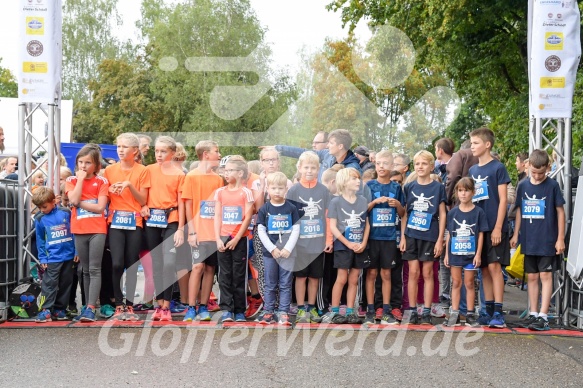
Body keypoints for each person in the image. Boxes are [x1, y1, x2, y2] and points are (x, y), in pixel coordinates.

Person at [510, 149, 565, 331]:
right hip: (529, 238)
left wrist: (560, 238)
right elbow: (519, 210)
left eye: (541, 173)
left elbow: (560, 212)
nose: (537, 176)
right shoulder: (523, 185)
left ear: (548, 168)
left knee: (546, 276)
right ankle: (533, 313)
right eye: (534, 172)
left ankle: (543, 316)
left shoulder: (552, 186)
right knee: (532, 276)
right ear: (528, 167)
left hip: (547, 239)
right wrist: (516, 233)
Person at [104, 133, 151, 321]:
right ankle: (118, 304)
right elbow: (105, 196)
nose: (120, 150)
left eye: (124, 147)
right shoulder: (109, 170)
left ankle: (130, 305)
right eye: (118, 146)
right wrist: (110, 190)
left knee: (132, 263)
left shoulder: (142, 171)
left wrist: (129, 185)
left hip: (135, 221)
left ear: (134, 151)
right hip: (115, 222)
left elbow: (143, 200)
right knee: (116, 263)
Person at [468, 127, 511, 328]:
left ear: (487, 144)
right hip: (479, 228)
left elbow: (503, 200)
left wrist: (498, 227)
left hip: (495, 226)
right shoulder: (472, 171)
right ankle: (487, 310)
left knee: (495, 267)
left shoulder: (498, 168)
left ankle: (498, 313)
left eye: (475, 143)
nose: (472, 147)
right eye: (471, 143)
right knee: (483, 269)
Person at [400, 150, 446, 325]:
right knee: (413, 272)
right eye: (417, 163)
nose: (420, 167)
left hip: (430, 235)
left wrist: (440, 239)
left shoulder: (438, 187)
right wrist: (403, 237)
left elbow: (442, 214)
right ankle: (412, 310)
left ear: (431, 166)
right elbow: (404, 214)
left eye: (424, 163)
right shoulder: (409, 187)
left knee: (427, 273)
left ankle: (426, 310)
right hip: (411, 234)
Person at [143, 136, 185, 321]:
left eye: (163, 151)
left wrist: (181, 228)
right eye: (156, 151)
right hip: (152, 219)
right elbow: (143, 193)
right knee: (157, 262)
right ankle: (159, 304)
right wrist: (142, 205)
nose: (159, 155)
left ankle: (167, 305)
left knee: (169, 262)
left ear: (172, 153)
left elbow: (182, 203)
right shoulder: (148, 170)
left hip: (172, 218)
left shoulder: (179, 174)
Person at [66, 144, 109, 322]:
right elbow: (73, 198)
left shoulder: (102, 182)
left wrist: (78, 204)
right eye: (80, 162)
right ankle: (86, 305)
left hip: (97, 230)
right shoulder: (71, 180)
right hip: (79, 229)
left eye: (88, 163)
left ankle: (91, 307)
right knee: (83, 270)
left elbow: (99, 207)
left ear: (96, 166)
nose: (83, 166)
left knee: (94, 268)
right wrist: (81, 180)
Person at [182, 140, 224, 322]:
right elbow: (188, 205)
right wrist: (191, 231)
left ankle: (204, 306)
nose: (219, 155)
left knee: (210, 268)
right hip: (198, 232)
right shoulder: (191, 176)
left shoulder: (218, 179)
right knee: (197, 266)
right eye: (217, 151)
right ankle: (191, 307)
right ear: (206, 154)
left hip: (214, 232)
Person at [286, 151, 330, 324]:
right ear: (299, 168)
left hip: (318, 243)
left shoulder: (323, 190)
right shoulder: (294, 190)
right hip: (299, 243)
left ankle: (312, 306)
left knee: (314, 277)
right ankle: (301, 307)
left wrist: (328, 240)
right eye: (306, 167)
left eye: (313, 167)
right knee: (301, 276)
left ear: (319, 169)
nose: (309, 171)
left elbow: (327, 216)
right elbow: (290, 217)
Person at [322, 168, 370, 324]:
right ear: (343, 182)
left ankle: (350, 311)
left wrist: (363, 243)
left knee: (354, 279)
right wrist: (348, 243)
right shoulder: (335, 201)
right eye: (354, 179)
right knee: (341, 278)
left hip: (359, 246)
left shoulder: (362, 201)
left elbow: (367, 224)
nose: (358, 181)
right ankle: (335, 311)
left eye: (358, 178)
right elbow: (333, 226)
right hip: (343, 246)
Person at [364, 150, 405, 325]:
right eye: (379, 163)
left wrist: (397, 205)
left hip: (389, 238)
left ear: (392, 166)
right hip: (372, 237)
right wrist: (373, 203)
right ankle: (371, 309)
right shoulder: (369, 186)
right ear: (375, 164)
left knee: (386, 273)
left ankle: (387, 309)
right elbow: (361, 211)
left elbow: (403, 214)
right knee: (372, 273)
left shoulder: (396, 187)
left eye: (386, 163)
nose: (382, 166)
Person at [255, 172, 300, 325]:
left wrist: (287, 248)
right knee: (270, 283)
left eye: (280, 188)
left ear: (286, 189)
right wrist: (272, 248)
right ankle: (268, 311)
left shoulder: (292, 208)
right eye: (273, 188)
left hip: (288, 253)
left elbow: (296, 229)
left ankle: (283, 312)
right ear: (268, 189)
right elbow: (261, 230)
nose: (277, 191)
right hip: (270, 253)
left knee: (285, 283)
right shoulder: (264, 209)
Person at [214, 156, 255, 322]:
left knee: (239, 274)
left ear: (240, 173)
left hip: (240, 240)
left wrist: (237, 238)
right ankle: (226, 309)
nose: (226, 173)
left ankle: (239, 310)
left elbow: (248, 216)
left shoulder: (246, 192)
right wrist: (217, 239)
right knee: (224, 275)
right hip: (223, 238)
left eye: (230, 170)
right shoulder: (220, 192)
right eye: (225, 170)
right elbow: (217, 215)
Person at [443, 177, 488, 327]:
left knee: (469, 283)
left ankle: (469, 314)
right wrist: (447, 254)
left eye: (466, 190)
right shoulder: (453, 213)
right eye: (460, 190)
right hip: (455, 253)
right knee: (456, 282)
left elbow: (481, 233)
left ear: (473, 192)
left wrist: (478, 254)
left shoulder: (479, 212)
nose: (463, 194)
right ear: (456, 192)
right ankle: (455, 313)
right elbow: (450, 233)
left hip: (471, 254)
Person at [33, 187, 76, 322]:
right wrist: (43, 257)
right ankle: (45, 309)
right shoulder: (39, 218)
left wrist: (77, 251)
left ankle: (60, 310)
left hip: (69, 256)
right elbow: (40, 239)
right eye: (39, 207)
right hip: (52, 258)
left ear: (53, 201)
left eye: (44, 206)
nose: (42, 210)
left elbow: (74, 232)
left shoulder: (66, 212)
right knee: (49, 284)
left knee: (66, 283)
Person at [275, 129, 361, 181]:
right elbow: (303, 152)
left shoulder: (352, 168)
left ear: (340, 146)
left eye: (331, 143)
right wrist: (277, 148)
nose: (327, 146)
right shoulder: (327, 155)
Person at [445, 140, 479, 206]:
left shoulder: (461, 154)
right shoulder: (492, 158)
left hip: (463, 204)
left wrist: (447, 199)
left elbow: (453, 177)